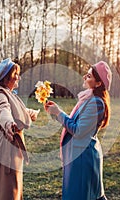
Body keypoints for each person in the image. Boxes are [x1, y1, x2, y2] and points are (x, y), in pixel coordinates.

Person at [44, 61, 112, 200]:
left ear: (98, 83)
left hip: (82, 157)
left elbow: (79, 131)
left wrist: (59, 113)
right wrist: (58, 112)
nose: (84, 77)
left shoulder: (96, 102)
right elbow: (75, 123)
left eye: (88, 76)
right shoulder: (87, 98)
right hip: (76, 155)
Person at [0, 58, 39, 200]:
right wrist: (9, 124)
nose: (18, 77)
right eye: (16, 74)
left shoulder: (5, 92)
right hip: (4, 148)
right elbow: (4, 111)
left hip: (3, 146)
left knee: (3, 188)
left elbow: (14, 109)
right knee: (7, 190)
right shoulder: (0, 95)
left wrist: (29, 113)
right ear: (6, 77)